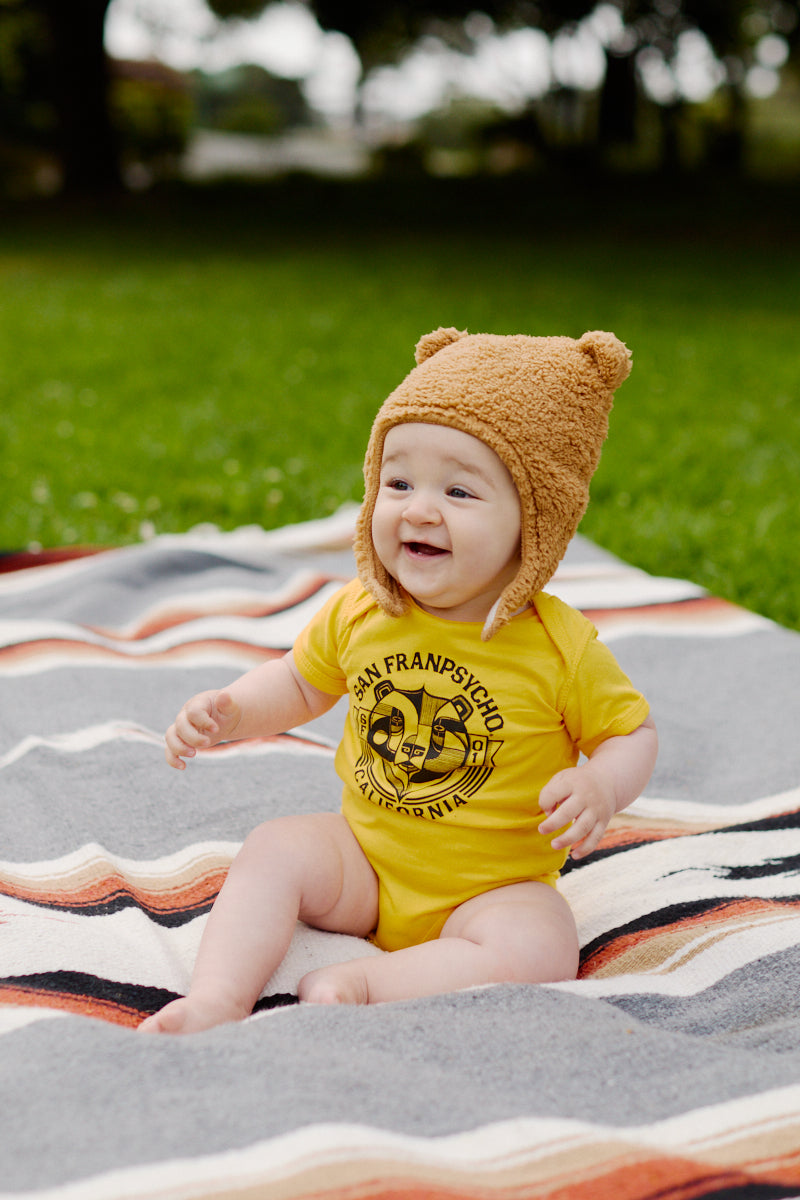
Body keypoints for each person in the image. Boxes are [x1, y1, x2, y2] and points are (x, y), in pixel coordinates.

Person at [140, 327, 658, 1034]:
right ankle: (216, 999)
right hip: (365, 863)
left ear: (534, 523)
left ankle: (362, 984)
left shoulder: (559, 648)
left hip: (490, 889)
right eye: (399, 483)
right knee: (275, 848)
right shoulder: (364, 609)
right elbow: (299, 682)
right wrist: (232, 711)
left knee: (542, 943)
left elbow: (632, 732)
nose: (418, 509)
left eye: (459, 490)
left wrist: (602, 784)